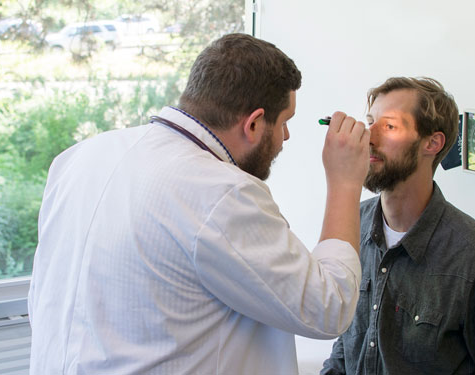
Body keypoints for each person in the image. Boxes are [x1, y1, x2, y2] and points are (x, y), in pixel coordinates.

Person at [28, 33, 370, 374]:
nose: (285, 137)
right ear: (253, 123)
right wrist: (345, 181)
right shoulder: (222, 193)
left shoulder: (77, 158)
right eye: (284, 123)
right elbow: (329, 307)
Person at [321, 77, 475, 374]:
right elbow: (346, 348)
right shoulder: (351, 226)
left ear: (432, 143)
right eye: (369, 122)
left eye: (389, 126)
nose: (368, 137)